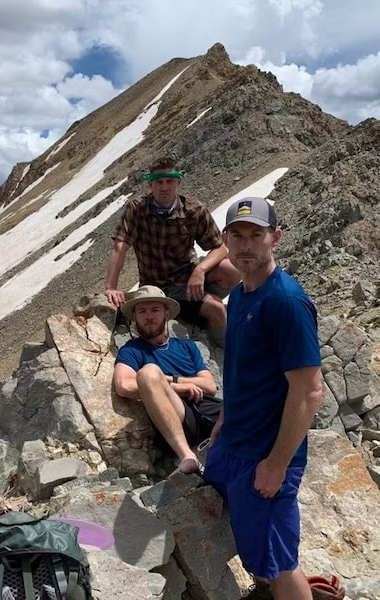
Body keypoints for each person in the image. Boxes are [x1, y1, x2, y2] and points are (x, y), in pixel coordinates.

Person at [202, 197, 323, 600]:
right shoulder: (241, 295)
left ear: (276, 238)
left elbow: (308, 391)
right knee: (256, 545)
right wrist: (223, 420)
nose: (246, 245)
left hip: (264, 457)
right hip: (233, 443)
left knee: (279, 562)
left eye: (257, 235)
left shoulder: (285, 301)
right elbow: (243, 370)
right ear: (224, 240)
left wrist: (277, 464)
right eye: (237, 235)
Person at [104, 156, 240, 346]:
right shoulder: (136, 209)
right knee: (216, 309)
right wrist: (111, 287)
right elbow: (120, 246)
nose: (164, 187)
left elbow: (220, 247)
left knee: (232, 269)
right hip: (157, 286)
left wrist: (199, 271)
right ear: (150, 185)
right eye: (159, 182)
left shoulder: (194, 210)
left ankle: (214, 329)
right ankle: (208, 322)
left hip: (187, 278)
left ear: (179, 183)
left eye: (169, 181)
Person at [113, 285, 221, 474]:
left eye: (155, 310)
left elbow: (209, 385)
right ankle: (187, 456)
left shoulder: (187, 346)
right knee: (148, 373)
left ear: (167, 314)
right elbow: (124, 385)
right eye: (142, 311)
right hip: (175, 413)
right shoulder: (131, 350)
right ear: (135, 317)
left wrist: (175, 381)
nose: (149, 317)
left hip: (207, 405)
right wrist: (175, 389)